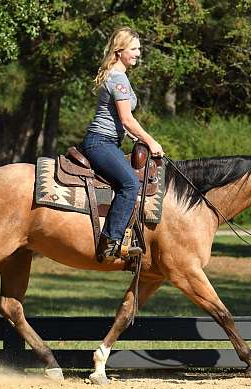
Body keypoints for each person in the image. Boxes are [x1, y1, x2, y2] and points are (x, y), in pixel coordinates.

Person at [80, 27, 164, 261]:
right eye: (134, 49)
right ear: (120, 51)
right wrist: (151, 140)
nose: (139, 53)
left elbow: (121, 121)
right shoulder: (118, 79)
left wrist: (135, 137)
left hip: (107, 142)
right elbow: (127, 118)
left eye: (139, 49)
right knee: (130, 184)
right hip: (100, 143)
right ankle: (110, 242)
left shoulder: (118, 76)